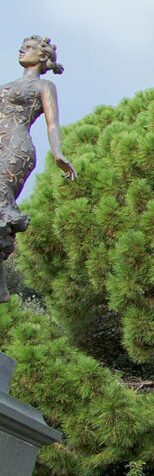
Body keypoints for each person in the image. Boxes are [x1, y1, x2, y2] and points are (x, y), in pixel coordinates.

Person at [0, 36, 76, 302]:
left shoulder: (45, 86)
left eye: (30, 47)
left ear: (43, 57)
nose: (23, 49)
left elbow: (52, 124)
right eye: (23, 46)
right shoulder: (5, 86)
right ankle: (1, 290)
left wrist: (58, 153)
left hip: (16, 149)